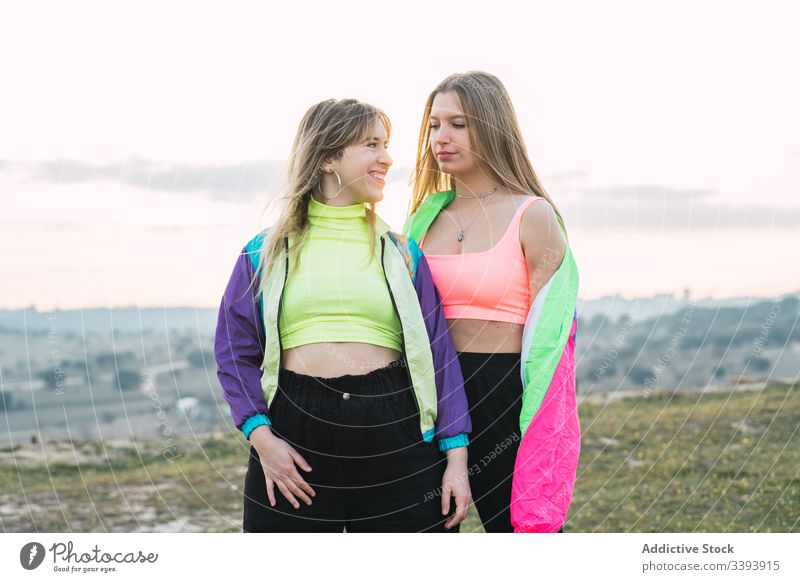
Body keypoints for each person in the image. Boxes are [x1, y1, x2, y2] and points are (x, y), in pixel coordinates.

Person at [214, 98, 472, 533]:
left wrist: (457, 460)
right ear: (329, 156)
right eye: (372, 144)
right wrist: (262, 438)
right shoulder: (265, 252)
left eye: (386, 145)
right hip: (294, 432)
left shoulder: (402, 252)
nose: (387, 158)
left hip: (396, 429)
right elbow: (233, 352)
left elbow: (439, 356)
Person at [403, 72, 580, 533]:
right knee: (426, 532)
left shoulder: (533, 215)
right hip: (434, 392)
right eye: (434, 125)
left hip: (505, 395)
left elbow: (553, 336)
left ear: (492, 127)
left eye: (458, 124)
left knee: (520, 531)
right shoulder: (421, 222)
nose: (441, 137)